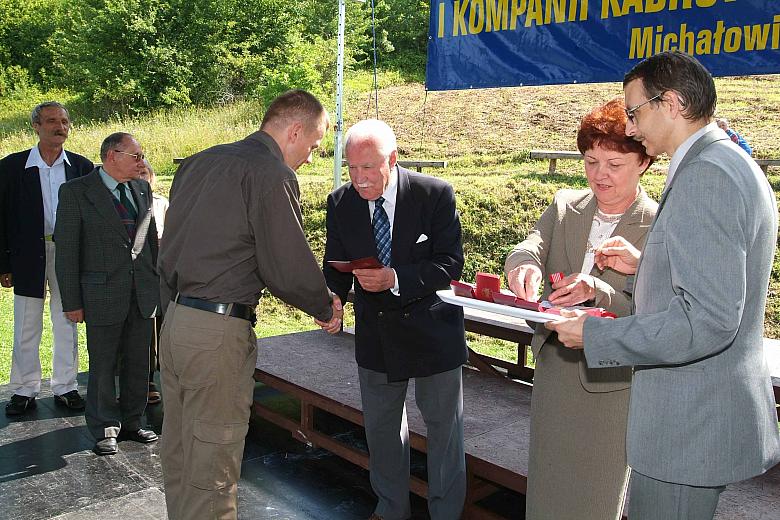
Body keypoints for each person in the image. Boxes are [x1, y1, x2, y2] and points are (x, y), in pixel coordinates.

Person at [547, 51, 780, 520]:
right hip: (697, 417)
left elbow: (707, 321)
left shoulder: (707, 176)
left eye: (635, 113)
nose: (631, 128)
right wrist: (646, 266)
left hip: (687, 426)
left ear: (670, 103)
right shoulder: (727, 162)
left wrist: (595, 333)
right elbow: (715, 278)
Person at [157, 89, 341, 520]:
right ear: (295, 131)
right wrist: (324, 305)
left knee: (180, 453)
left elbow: (168, 249)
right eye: (314, 145)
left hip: (176, 322)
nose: (311, 157)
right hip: (217, 333)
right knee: (213, 465)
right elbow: (285, 264)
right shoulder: (270, 173)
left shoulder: (198, 163)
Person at [504, 99, 657, 520]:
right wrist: (523, 266)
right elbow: (529, 246)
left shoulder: (658, 224)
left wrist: (599, 292)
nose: (599, 175)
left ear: (643, 162)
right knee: (545, 496)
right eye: (591, 162)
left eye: (614, 164)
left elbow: (655, 312)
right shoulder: (564, 206)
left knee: (594, 501)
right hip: (555, 375)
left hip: (611, 387)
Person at [319, 119, 468, 520]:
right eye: (352, 168)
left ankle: (446, 514)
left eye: (368, 167)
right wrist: (333, 298)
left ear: (393, 159)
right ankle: (390, 509)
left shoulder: (434, 194)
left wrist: (395, 278)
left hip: (433, 330)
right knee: (382, 430)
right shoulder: (341, 202)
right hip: (377, 332)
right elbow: (335, 263)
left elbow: (450, 262)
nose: (359, 178)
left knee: (444, 432)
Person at [54, 132, 160, 456]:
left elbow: (150, 242)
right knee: (102, 365)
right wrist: (72, 302)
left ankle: (133, 420)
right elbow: (67, 252)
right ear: (112, 156)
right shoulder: (76, 191)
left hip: (141, 293)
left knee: (139, 362)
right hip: (101, 294)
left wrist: (155, 284)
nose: (141, 162)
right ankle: (104, 428)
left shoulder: (141, 188)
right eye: (136, 156)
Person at [0, 101, 93, 415]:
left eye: (64, 121)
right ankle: (24, 389)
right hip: (27, 255)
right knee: (26, 324)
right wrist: (3, 263)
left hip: (69, 254)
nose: (60, 127)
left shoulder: (81, 167)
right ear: (36, 126)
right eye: (52, 121)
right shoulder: (12, 167)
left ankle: (66, 387)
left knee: (67, 320)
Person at [139, 159, 168, 405]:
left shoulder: (162, 203)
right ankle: (142, 380)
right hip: (137, 273)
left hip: (161, 272)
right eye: (137, 173)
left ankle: (161, 377)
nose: (142, 177)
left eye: (145, 173)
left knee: (162, 328)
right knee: (142, 331)